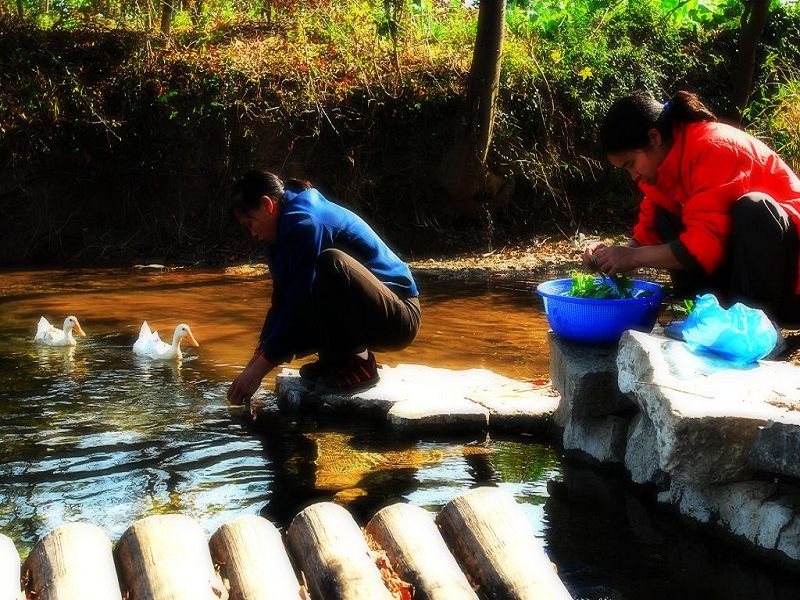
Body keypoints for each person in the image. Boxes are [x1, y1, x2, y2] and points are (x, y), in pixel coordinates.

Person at [586, 90, 800, 325]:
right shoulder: (661, 170)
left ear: (655, 137)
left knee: (754, 208)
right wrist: (610, 258)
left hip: (790, 285)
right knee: (665, 215)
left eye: (631, 164)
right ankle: (703, 318)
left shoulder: (712, 146)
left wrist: (634, 257)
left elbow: (701, 247)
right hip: (746, 274)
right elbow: (648, 236)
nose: (633, 175)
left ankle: (758, 326)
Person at [226, 170, 421, 404]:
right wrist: (254, 362)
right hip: (368, 314)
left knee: (330, 263)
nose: (252, 233)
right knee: (304, 297)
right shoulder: (279, 234)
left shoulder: (305, 221)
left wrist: (258, 371)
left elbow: (299, 302)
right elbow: (281, 302)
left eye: (251, 224)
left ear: (267, 205)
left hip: (399, 316)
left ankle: (360, 364)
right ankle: (337, 362)